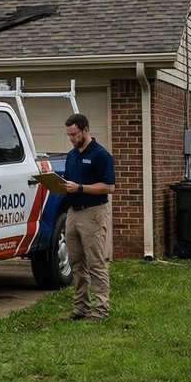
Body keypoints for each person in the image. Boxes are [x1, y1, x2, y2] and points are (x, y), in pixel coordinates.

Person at [61, 113, 116, 322]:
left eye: (74, 134)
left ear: (85, 130)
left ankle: (101, 310)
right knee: (76, 262)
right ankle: (81, 307)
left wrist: (81, 188)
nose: (72, 139)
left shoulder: (101, 155)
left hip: (93, 212)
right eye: (69, 135)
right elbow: (68, 181)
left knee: (96, 262)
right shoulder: (71, 155)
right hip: (73, 213)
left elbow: (109, 187)